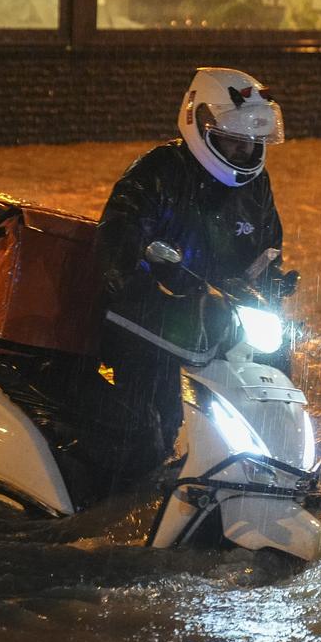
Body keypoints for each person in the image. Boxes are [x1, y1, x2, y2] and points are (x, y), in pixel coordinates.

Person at [95, 67, 297, 474]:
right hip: (151, 318)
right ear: (200, 125)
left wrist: (272, 285)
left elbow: (266, 250)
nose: (244, 153)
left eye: (252, 144)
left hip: (218, 316)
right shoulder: (157, 172)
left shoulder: (256, 187)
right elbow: (116, 243)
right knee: (156, 425)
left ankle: (276, 464)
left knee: (277, 360)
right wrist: (147, 282)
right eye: (235, 142)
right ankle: (135, 492)